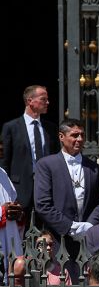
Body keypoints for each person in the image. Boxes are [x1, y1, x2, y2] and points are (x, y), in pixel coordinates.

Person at [33, 119, 99, 242]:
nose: (80, 139)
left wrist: (90, 225)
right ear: (61, 136)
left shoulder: (93, 167)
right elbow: (42, 204)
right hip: (57, 237)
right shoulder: (47, 165)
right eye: (74, 135)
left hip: (88, 238)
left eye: (82, 135)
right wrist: (69, 226)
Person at [0, 85, 59, 220]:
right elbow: (4, 161)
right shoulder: (11, 127)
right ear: (29, 101)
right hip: (19, 190)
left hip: (46, 189)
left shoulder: (50, 128)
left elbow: (56, 158)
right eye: (43, 99)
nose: (47, 103)